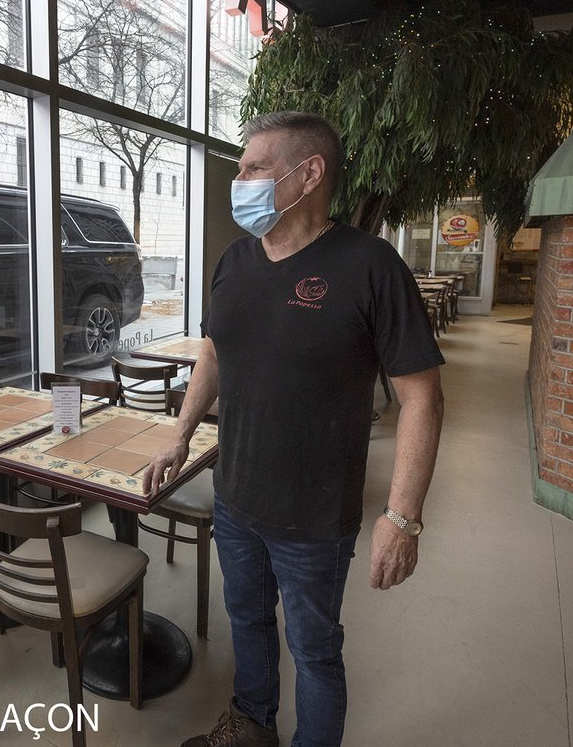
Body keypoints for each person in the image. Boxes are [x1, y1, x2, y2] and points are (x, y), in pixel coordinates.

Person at [145, 111, 445, 747]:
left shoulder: (371, 267)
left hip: (313, 515)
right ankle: (251, 729)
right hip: (235, 496)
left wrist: (402, 517)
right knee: (246, 625)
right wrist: (180, 434)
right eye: (241, 168)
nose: (241, 180)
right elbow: (215, 352)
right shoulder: (235, 260)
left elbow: (421, 397)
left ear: (308, 175)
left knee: (314, 652)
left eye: (255, 167)